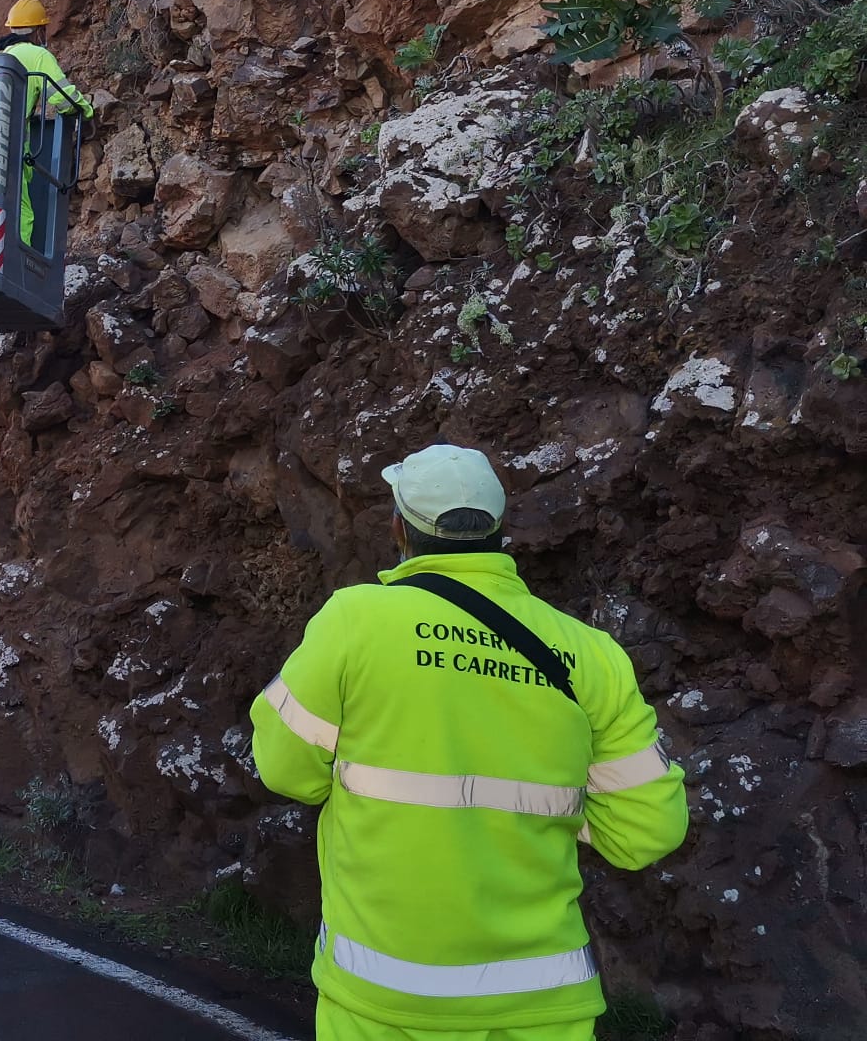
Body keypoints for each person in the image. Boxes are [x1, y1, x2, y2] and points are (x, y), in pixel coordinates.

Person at [248, 443, 689, 1041]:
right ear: (500, 531)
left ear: (398, 526)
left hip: (383, 1002)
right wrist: (550, 808)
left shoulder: (356, 621)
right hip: (544, 1006)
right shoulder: (593, 656)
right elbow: (646, 833)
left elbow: (285, 770)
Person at [0, 0, 94, 245]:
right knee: (23, 216)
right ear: (39, 31)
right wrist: (86, 112)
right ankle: (18, 278)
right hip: (12, 147)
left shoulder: (0, 57)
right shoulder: (36, 55)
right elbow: (61, 96)